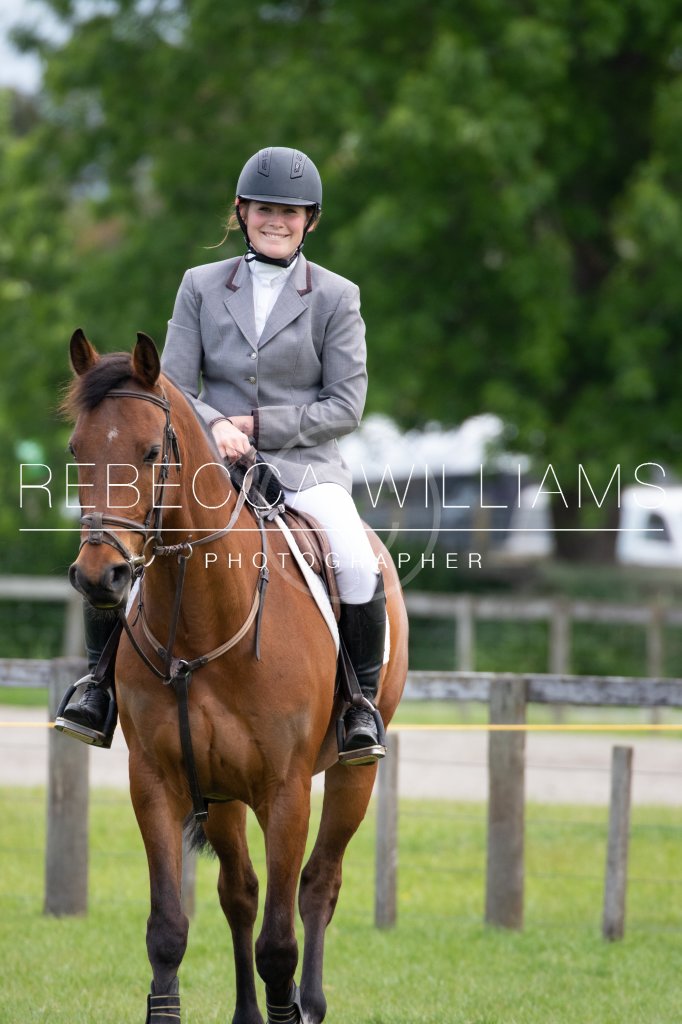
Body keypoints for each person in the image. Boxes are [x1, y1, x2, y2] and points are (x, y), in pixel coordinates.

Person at [56, 146, 386, 764]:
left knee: (355, 558)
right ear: (241, 211)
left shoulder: (337, 296)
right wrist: (215, 426)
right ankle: (97, 687)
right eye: (264, 210)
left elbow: (345, 405)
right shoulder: (201, 285)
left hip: (306, 467)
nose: (276, 222)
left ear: (309, 221)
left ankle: (359, 705)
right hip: (210, 465)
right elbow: (172, 386)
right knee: (118, 543)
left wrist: (256, 425)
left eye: (290, 213)